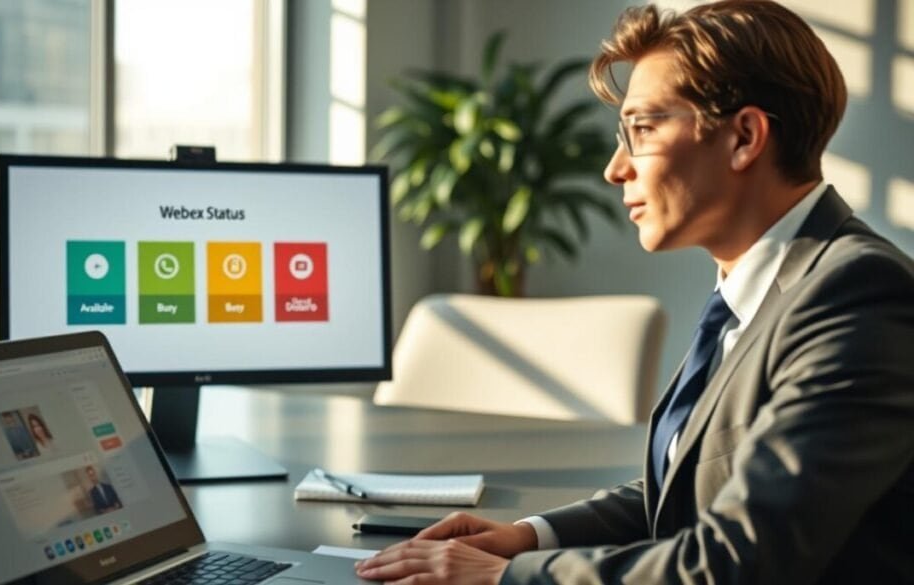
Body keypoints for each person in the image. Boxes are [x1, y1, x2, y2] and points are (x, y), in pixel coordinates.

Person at [355, 2, 914, 584]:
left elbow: (740, 559)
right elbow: (684, 485)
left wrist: (504, 578)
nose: (615, 168)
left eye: (642, 130)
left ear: (744, 137)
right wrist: (529, 536)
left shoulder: (857, 294)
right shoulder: (761, 290)